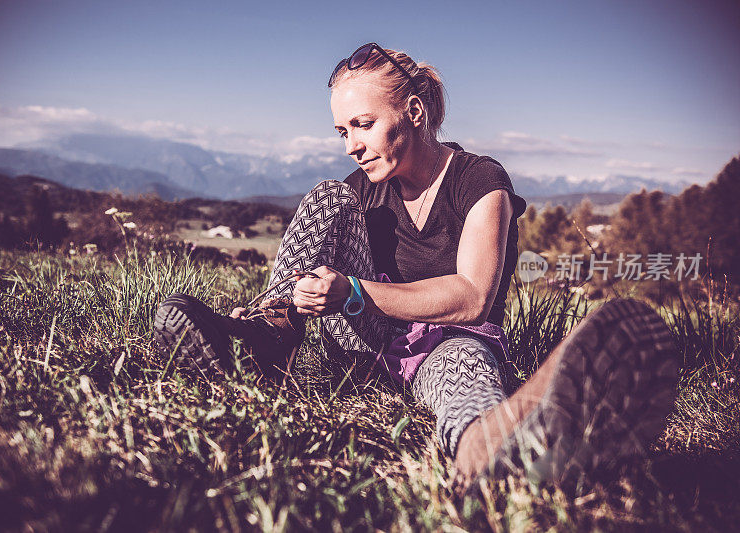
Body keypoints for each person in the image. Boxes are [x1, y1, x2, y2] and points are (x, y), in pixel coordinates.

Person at [153, 43, 679, 489]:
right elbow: (333, 259)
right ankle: (267, 333)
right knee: (328, 198)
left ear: (414, 112)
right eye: (342, 131)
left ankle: (506, 443)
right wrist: (319, 294)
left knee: (465, 376)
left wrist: (355, 292)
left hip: (446, 343)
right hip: (365, 340)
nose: (353, 145)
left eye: (364, 125)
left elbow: (472, 297)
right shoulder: (364, 187)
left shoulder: (479, 182)